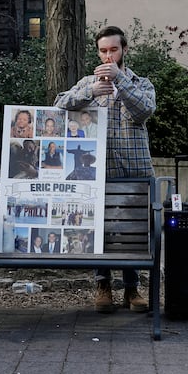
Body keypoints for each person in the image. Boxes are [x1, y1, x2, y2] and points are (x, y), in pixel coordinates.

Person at [54, 25, 156, 314]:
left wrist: (120, 81)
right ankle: (103, 284)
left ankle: (133, 288)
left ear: (124, 50)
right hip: (96, 173)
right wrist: (89, 91)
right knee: (98, 230)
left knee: (133, 232)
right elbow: (58, 106)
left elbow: (144, 110)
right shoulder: (89, 82)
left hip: (134, 174)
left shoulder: (140, 83)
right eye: (103, 50)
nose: (108, 55)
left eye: (113, 49)